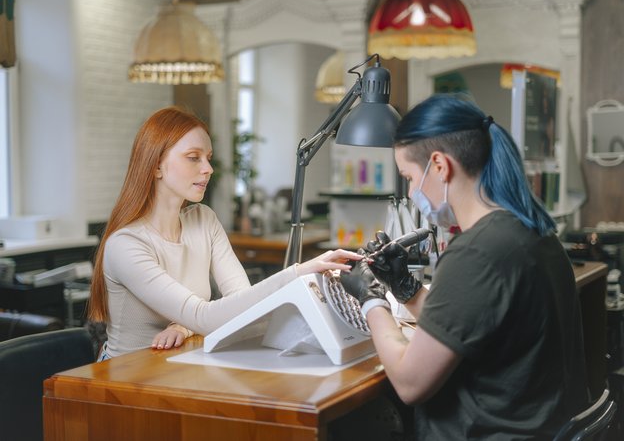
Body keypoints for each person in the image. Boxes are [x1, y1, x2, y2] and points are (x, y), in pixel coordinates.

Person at [341, 94, 588, 440]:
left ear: (440, 166)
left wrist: (371, 301)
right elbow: (467, 321)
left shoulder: (478, 251)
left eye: (410, 178)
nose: (411, 192)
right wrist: (405, 288)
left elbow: (409, 382)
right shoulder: (530, 231)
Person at [89, 106, 361, 360]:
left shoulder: (203, 220)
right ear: (156, 165)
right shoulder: (125, 244)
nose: (208, 169)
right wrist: (298, 272)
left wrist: (184, 327)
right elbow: (203, 317)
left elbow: (243, 306)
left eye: (208, 158)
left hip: (182, 364)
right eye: (193, 158)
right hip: (125, 378)